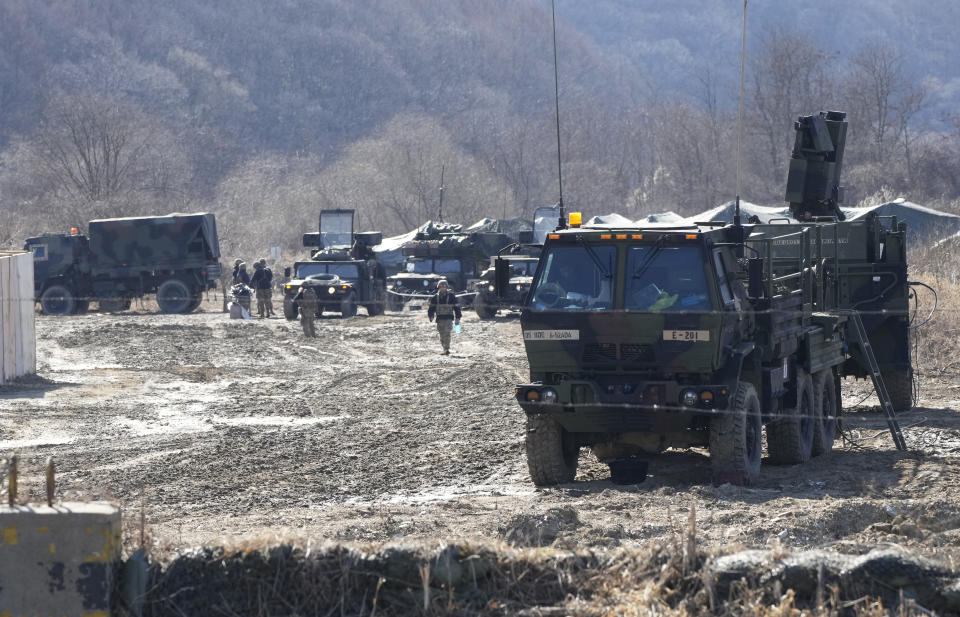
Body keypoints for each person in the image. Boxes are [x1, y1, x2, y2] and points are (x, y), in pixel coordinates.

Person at [428, 280, 461, 355]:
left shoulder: (451, 296)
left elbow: (457, 308)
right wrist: (431, 316)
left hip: (449, 318)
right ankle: (444, 348)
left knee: (447, 332)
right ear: (438, 287)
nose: (442, 287)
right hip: (439, 319)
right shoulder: (435, 297)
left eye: (444, 286)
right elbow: (431, 308)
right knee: (441, 334)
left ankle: (447, 349)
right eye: (441, 286)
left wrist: (458, 317)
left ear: (447, 287)